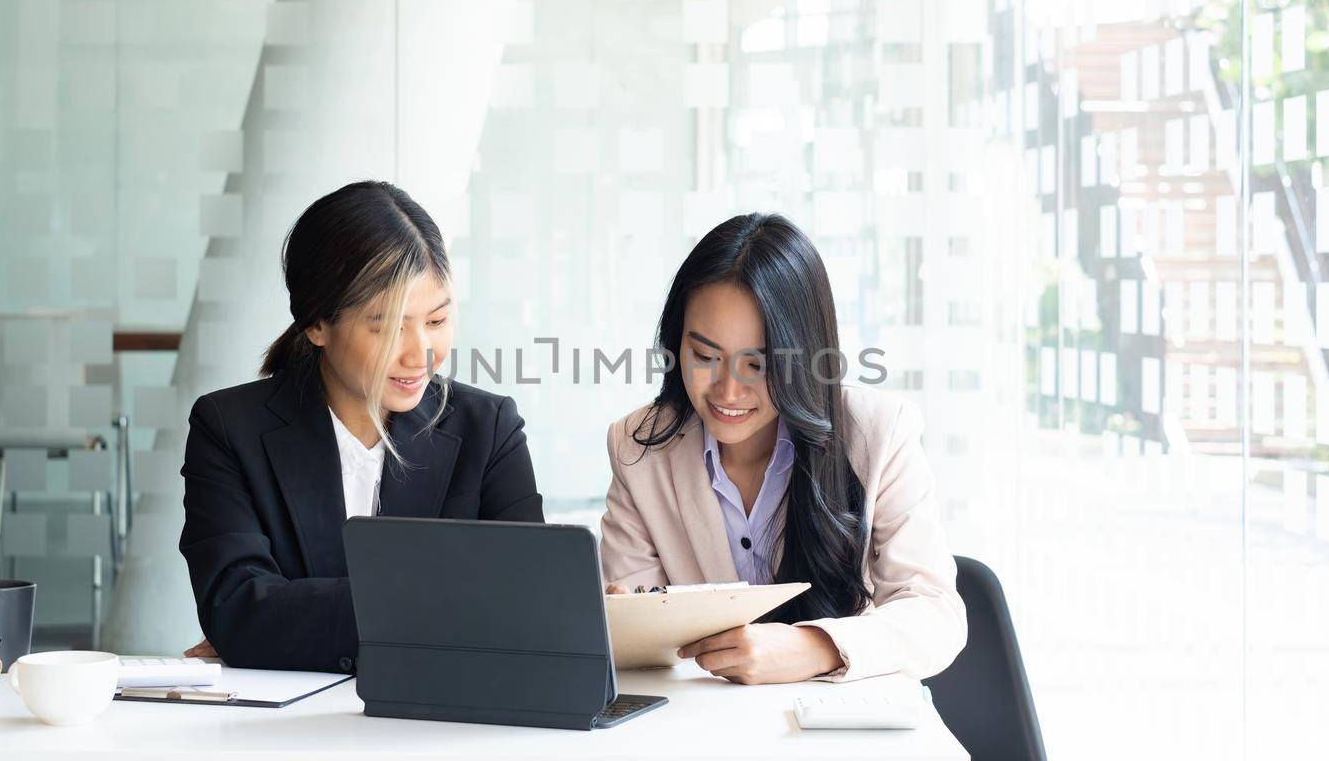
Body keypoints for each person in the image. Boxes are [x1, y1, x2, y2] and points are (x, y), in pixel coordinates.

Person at [178, 181, 543, 672]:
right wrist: (451, 603)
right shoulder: (228, 429)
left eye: (435, 322)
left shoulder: (490, 429)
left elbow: (531, 605)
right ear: (317, 324)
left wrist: (290, 620)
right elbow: (238, 612)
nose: (420, 354)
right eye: (388, 326)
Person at [599, 213, 966, 685]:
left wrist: (814, 647)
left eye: (758, 363)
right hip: (699, 724)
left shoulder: (877, 433)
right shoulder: (639, 447)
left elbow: (936, 615)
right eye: (705, 357)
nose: (728, 391)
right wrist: (626, 621)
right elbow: (639, 649)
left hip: (838, 721)